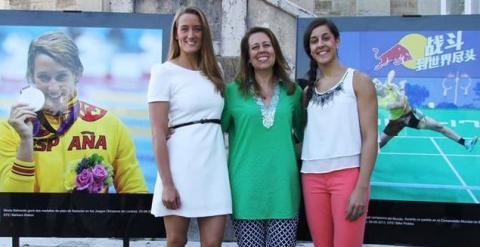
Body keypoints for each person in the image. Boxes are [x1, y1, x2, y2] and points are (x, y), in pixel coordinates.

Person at [0, 32, 147, 193]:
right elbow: (12, 205)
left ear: (77, 74)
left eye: (61, 77)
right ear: (31, 77)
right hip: (37, 219)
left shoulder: (109, 125)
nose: (53, 87)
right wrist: (26, 141)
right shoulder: (8, 130)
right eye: (44, 77)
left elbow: (135, 194)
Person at [147, 7, 231, 247]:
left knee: (213, 243)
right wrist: (168, 183)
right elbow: (157, 133)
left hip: (213, 166)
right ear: (175, 34)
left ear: (204, 34)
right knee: (175, 240)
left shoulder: (216, 72)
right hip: (179, 167)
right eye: (184, 29)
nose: (191, 35)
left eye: (197, 29)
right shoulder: (163, 72)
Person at [221, 27, 304, 247]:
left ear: (275, 50)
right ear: (247, 57)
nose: (261, 50)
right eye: (254, 47)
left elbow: (306, 137)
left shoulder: (293, 92)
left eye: (266, 45)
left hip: (283, 191)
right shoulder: (231, 92)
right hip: (245, 190)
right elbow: (212, 130)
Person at [300, 18, 378, 247]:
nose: (320, 44)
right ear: (310, 50)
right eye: (314, 41)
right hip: (312, 177)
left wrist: (362, 187)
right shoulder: (307, 91)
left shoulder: (359, 81)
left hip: (347, 177)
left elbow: (371, 137)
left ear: (337, 41)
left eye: (326, 38)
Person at [374, 69, 478, 151]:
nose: (377, 83)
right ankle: (364, 158)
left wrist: (389, 82)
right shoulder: (381, 102)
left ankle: (465, 143)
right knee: (381, 143)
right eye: (374, 85)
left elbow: (392, 71)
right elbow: (401, 104)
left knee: (439, 126)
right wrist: (401, 88)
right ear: (374, 90)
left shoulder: (387, 86)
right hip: (397, 121)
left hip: (411, 115)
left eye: (377, 81)